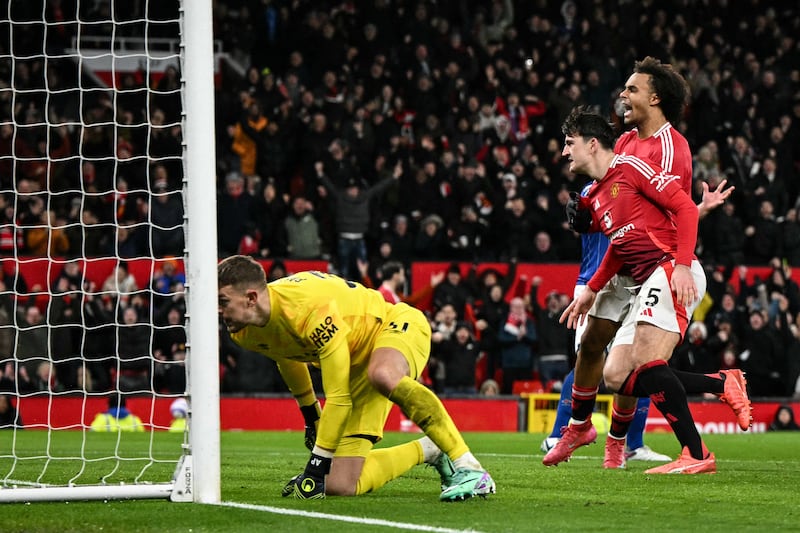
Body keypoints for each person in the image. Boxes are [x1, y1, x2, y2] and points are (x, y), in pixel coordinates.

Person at [543, 58, 748, 471]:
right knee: (597, 350)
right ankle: (582, 427)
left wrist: (684, 261)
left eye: (631, 89)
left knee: (640, 364)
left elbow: (669, 215)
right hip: (628, 261)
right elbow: (626, 224)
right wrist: (593, 275)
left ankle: (650, 444)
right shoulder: (622, 146)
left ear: (655, 98)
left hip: (663, 262)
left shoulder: (670, 148)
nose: (622, 95)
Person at [217, 255, 495, 501]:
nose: (217, 311)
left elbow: (339, 398)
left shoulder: (309, 310)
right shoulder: (243, 331)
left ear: (251, 298)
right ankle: (431, 449)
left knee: (383, 374)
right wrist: (310, 414)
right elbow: (285, 356)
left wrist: (315, 466)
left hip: (392, 326)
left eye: (222, 301)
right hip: (355, 362)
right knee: (340, 484)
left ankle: (471, 469)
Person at [540, 180, 670, 463]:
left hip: (633, 282)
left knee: (640, 362)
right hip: (594, 284)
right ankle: (558, 434)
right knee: (588, 357)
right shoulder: (596, 190)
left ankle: (633, 444)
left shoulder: (629, 181)